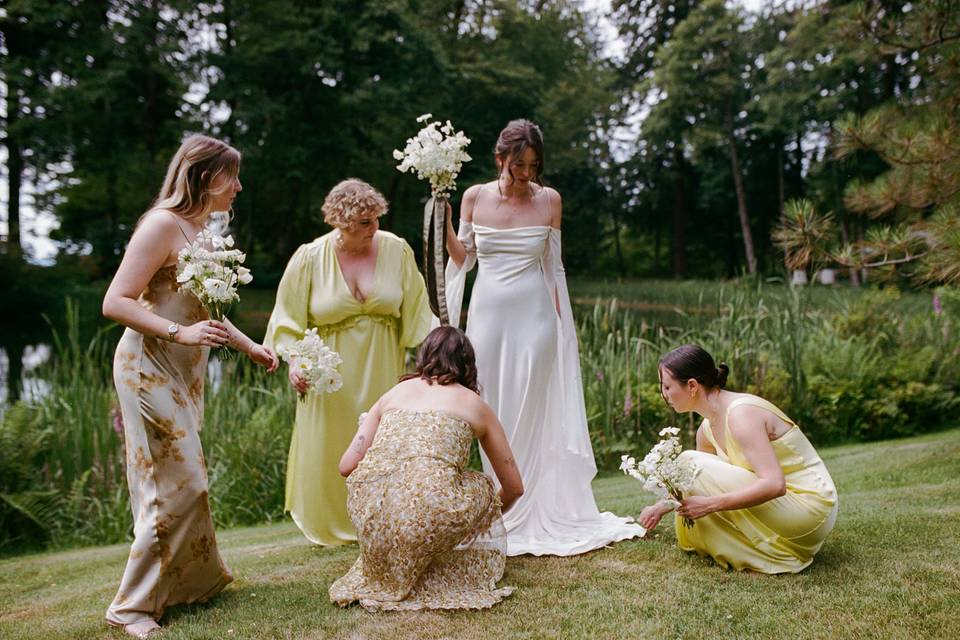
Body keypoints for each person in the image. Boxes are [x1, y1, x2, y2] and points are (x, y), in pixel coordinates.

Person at [102, 134, 279, 638]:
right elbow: (116, 301)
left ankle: (191, 583)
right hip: (147, 365)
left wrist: (251, 346)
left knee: (188, 479)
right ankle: (131, 607)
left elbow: (210, 310)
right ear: (204, 176)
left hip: (187, 370)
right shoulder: (161, 224)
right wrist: (180, 332)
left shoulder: (204, 230)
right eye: (232, 177)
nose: (239, 187)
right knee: (175, 482)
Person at [444, 119, 644, 556]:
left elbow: (554, 269)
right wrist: (440, 217)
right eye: (519, 165)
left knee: (532, 406)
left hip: (536, 316)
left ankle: (532, 504)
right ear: (500, 159)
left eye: (534, 165)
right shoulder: (474, 197)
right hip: (489, 316)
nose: (527, 174)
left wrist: (562, 326)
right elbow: (464, 258)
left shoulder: (550, 199)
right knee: (491, 403)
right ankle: (499, 505)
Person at [264, 178, 433, 546]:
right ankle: (332, 522)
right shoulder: (309, 258)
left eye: (375, 220)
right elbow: (286, 321)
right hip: (330, 376)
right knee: (333, 446)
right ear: (339, 223)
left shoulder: (396, 250)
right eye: (363, 223)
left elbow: (420, 312)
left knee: (381, 442)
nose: (373, 229)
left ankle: (384, 517)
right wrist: (296, 362)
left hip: (382, 367)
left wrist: (433, 360)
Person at [329, 326, 523, 610]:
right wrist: (476, 524)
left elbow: (346, 466)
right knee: (481, 483)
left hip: (375, 524)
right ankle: (430, 545)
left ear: (424, 357)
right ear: (468, 364)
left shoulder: (393, 395)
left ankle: (400, 552)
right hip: (434, 512)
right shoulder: (475, 404)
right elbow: (515, 486)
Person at [640, 344, 839, 574]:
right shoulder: (706, 429)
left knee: (689, 461)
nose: (663, 394)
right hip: (784, 509)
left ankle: (767, 555)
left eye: (666, 386)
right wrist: (658, 508)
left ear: (692, 385)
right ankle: (742, 548)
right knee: (692, 466)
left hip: (809, 510)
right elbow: (692, 482)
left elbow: (775, 485)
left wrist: (710, 504)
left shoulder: (741, 414)